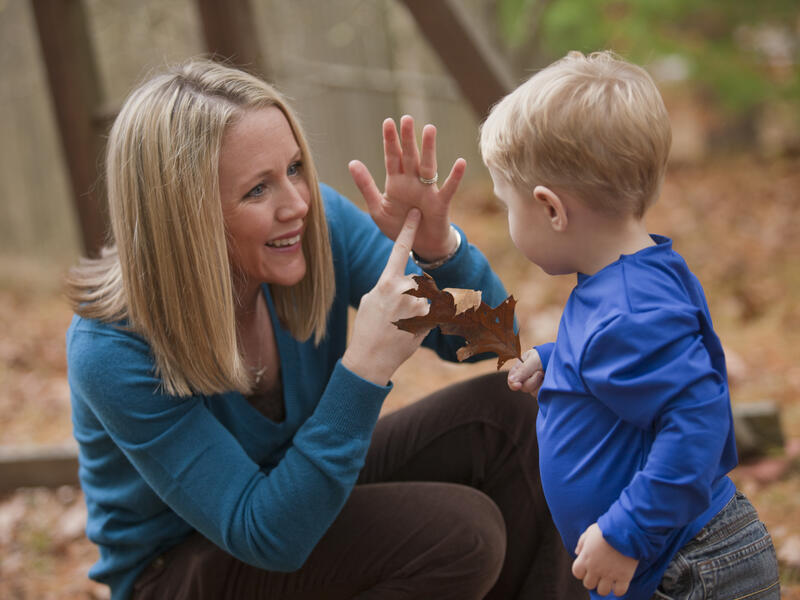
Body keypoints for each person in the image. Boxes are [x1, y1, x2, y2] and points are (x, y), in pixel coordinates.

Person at [65, 59, 587, 600]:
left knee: (510, 415)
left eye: (294, 168)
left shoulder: (313, 229)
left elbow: (490, 343)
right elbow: (265, 534)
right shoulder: (111, 347)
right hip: (182, 566)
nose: (297, 203)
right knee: (461, 534)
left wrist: (439, 250)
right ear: (185, 216)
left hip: (297, 489)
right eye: (257, 190)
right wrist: (363, 371)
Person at [479, 50, 781, 599]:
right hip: (666, 558)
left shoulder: (628, 311)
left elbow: (697, 424)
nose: (506, 216)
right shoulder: (624, 284)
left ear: (551, 209)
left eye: (507, 203)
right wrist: (557, 361)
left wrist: (627, 534)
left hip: (689, 566)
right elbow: (629, 363)